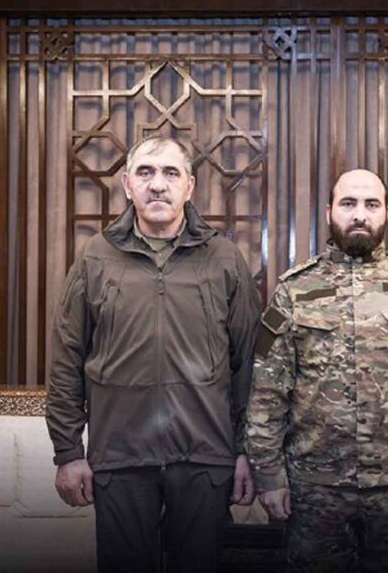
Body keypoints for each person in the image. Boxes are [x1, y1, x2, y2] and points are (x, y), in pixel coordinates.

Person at [246, 169, 388, 573]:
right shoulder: (294, 290)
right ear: (329, 212)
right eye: (348, 203)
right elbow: (267, 393)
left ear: (387, 212)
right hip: (315, 487)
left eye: (371, 204)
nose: (359, 214)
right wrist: (269, 475)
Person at [47, 135, 260, 573]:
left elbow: (250, 366)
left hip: (204, 458)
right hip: (120, 458)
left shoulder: (224, 259)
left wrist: (246, 451)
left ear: (189, 186)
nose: (157, 184)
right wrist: (68, 453)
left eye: (170, 173)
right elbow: (67, 359)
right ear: (127, 185)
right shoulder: (95, 257)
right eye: (145, 173)